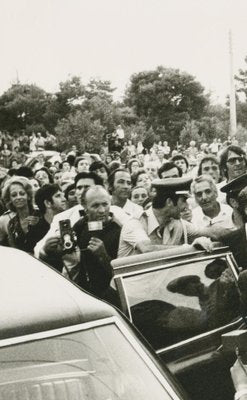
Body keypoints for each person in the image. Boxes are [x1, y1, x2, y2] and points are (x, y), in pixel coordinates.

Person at [118, 177, 225, 258]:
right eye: (183, 201)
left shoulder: (177, 223)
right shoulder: (134, 223)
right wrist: (189, 248)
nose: (186, 206)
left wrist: (238, 230)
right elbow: (147, 248)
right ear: (169, 202)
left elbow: (210, 232)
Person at [72, 186, 121, 302]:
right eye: (95, 206)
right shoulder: (80, 225)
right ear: (85, 207)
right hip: (86, 293)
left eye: (105, 204)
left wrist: (103, 256)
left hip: (110, 296)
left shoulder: (119, 230)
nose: (102, 210)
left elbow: (121, 276)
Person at [2, 176, 40, 253]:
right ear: (10, 200)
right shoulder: (11, 224)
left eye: (22, 193)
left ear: (28, 196)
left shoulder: (41, 215)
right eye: (14, 195)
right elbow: (15, 252)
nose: (18, 197)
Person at [29, 184, 67, 249]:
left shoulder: (69, 220)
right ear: (47, 203)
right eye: (58, 196)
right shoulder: (36, 231)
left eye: (63, 195)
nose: (64, 199)